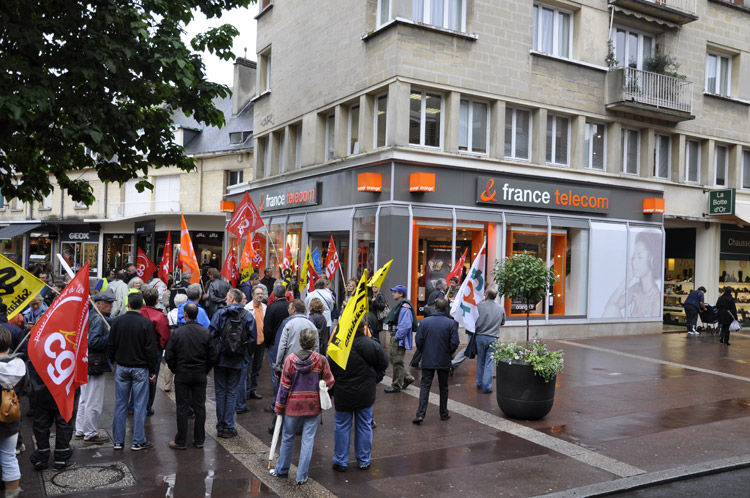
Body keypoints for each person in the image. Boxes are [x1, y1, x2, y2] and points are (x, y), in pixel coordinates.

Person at [270, 329, 334, 485]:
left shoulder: (290, 360)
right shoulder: (321, 360)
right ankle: (301, 476)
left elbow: (284, 386)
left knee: (287, 438)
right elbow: (330, 381)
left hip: (293, 405)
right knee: (308, 440)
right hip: (312, 405)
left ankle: (282, 470)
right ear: (314, 343)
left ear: (300, 341)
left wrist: (279, 406)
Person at [329, 320, 389, 472]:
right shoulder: (371, 344)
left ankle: (340, 461)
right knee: (364, 425)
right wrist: (375, 379)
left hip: (343, 393)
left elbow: (329, 370)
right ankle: (363, 460)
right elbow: (384, 363)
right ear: (363, 328)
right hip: (365, 392)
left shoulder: (338, 346)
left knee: (342, 426)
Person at [107, 293, 158, 451]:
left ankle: (118, 441)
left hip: (122, 366)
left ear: (128, 304)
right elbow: (150, 349)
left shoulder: (117, 322)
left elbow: (111, 344)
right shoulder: (146, 323)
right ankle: (137, 440)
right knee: (140, 405)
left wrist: (114, 359)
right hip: (140, 368)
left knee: (120, 404)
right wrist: (153, 369)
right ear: (141, 306)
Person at [165, 303, 217, 450]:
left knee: (182, 407)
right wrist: (205, 369)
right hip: (199, 373)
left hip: (182, 373)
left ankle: (181, 440)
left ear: (185, 315)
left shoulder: (177, 333)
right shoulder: (205, 332)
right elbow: (212, 355)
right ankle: (199, 439)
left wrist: (175, 369)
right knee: (200, 406)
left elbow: (169, 355)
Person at [209, 288, 256, 438]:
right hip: (238, 360)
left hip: (221, 359)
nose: (225, 299)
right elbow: (252, 340)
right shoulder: (248, 316)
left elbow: (211, 335)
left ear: (231, 298)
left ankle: (220, 426)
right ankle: (229, 426)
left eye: (227, 297)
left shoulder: (219, 314)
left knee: (220, 392)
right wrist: (245, 354)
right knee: (232, 392)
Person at [74, 291, 115, 444]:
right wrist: (110, 335)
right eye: (108, 303)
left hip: (86, 361)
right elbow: (94, 342)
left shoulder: (91, 316)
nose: (111, 305)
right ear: (99, 304)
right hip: (95, 363)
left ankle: (80, 430)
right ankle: (90, 433)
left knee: (85, 398)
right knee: (94, 400)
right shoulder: (98, 319)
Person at [413, 299, 459, 423]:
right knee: (443, 387)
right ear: (445, 309)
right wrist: (448, 352)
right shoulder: (451, 323)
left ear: (434, 308)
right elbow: (454, 343)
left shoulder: (424, 322)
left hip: (428, 358)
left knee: (425, 386)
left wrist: (424, 351)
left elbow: (418, 341)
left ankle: (420, 414)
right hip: (444, 359)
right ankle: (443, 413)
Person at [603, 231, 662, 318]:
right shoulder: (636, 288)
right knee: (611, 310)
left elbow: (653, 329)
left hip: (642, 332)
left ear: (652, 260)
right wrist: (628, 279)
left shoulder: (656, 299)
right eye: (634, 256)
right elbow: (610, 307)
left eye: (640, 257)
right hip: (629, 331)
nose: (634, 262)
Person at [0, 326, 27, 493]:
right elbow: (26, 390)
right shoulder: (20, 365)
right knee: (9, 456)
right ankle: (12, 493)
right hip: (11, 417)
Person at [140, 288, 170, 416]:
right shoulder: (160, 316)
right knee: (152, 378)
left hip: (139, 348)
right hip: (154, 349)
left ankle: (135, 404)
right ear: (157, 300)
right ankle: (147, 406)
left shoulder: (139, 312)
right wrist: (163, 347)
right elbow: (164, 336)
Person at [237, 284, 267, 413]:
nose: (260, 296)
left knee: (257, 367)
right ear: (253, 295)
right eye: (258, 294)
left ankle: (253, 390)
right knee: (248, 368)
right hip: (251, 343)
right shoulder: (247, 308)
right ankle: (247, 391)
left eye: (261, 294)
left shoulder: (265, 307)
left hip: (261, 342)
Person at [383, 285, 417, 393]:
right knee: (395, 360)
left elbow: (406, 325)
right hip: (396, 336)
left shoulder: (404, 306)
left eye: (395, 292)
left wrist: (398, 337)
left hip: (397, 337)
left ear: (400, 294)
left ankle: (396, 385)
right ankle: (407, 378)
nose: (393, 294)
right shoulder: (401, 305)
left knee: (397, 361)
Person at [263, 284, 291, 412]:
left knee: (276, 373)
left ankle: (276, 403)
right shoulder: (290, 307)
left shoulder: (271, 308)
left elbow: (267, 328)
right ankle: (286, 402)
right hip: (288, 344)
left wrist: (267, 343)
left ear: (274, 295)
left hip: (274, 344)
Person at [473, 289, 505, 393]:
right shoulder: (500, 308)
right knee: (489, 362)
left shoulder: (479, 306)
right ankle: (486, 386)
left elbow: (474, 320)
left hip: (480, 337)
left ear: (486, 295)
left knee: (480, 360)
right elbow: (503, 322)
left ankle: (479, 382)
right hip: (493, 337)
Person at [274, 300, 318, 374]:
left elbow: (282, 346)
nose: (288, 310)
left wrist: (277, 365)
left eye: (289, 308)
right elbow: (316, 346)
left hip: (290, 365)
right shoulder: (311, 325)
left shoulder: (287, 324)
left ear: (294, 309)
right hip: (308, 365)